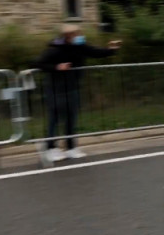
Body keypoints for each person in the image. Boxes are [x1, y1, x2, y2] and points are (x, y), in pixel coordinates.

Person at [34, 24, 121, 161]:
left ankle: (70, 147)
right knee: (55, 119)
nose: (80, 36)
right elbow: (38, 63)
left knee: (71, 118)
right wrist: (57, 67)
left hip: (72, 87)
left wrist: (111, 50)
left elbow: (95, 52)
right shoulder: (55, 49)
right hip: (56, 89)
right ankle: (50, 148)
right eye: (77, 34)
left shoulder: (80, 46)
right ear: (68, 36)